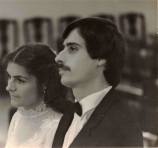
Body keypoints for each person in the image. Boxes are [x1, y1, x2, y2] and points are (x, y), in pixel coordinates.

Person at [52, 17, 143, 147]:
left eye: (72, 48)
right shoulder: (66, 115)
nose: (58, 57)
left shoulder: (123, 126)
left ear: (101, 57)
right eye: (63, 48)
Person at [3, 43, 68, 148]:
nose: (9, 87)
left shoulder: (55, 127)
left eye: (20, 80)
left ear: (45, 83)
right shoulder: (18, 116)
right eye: (9, 77)